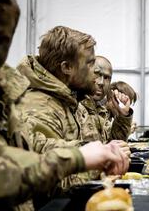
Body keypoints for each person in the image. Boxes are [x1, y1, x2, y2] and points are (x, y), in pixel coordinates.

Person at [0, 0, 127, 211]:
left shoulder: (1, 93)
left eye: (1, 40)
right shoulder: (37, 104)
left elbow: (33, 147)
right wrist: (84, 159)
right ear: (67, 68)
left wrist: (98, 150)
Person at [16, 26, 130, 193]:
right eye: (90, 64)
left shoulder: (72, 102)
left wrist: (107, 151)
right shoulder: (38, 108)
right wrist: (102, 163)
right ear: (66, 67)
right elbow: (49, 181)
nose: (97, 75)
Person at [77, 56, 134, 143]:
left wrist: (123, 116)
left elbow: (113, 147)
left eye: (107, 78)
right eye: (96, 75)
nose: (101, 82)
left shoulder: (101, 111)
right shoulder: (75, 107)